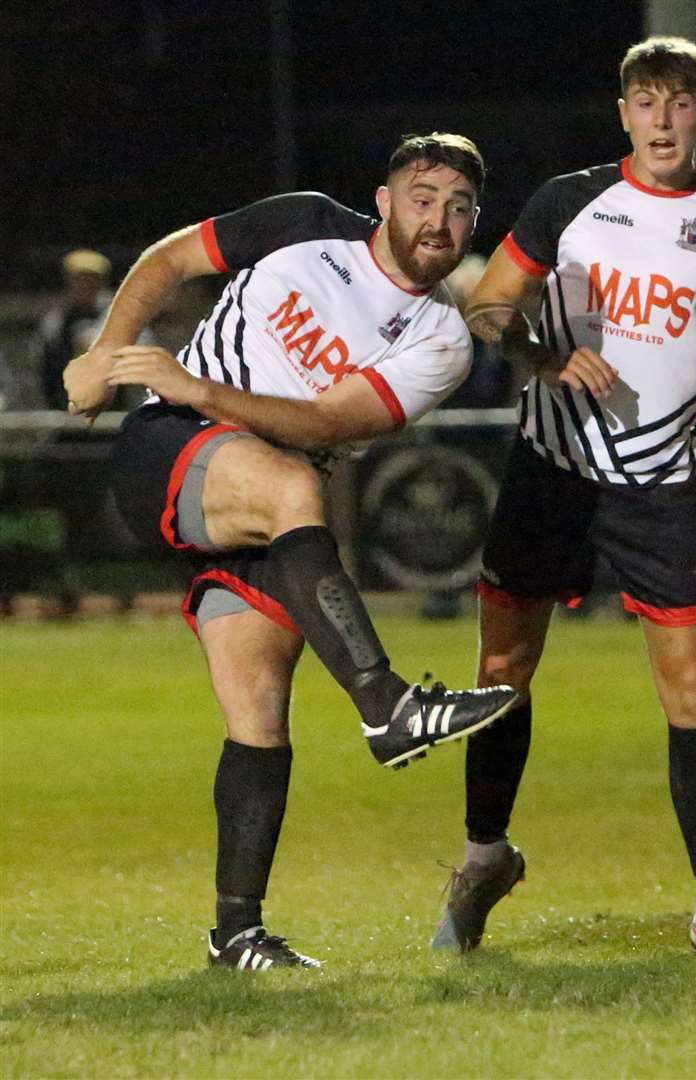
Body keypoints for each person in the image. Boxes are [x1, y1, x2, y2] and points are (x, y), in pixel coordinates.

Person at [431, 37, 696, 956]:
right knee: (502, 672)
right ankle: (481, 860)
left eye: (680, 104)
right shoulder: (568, 201)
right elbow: (488, 308)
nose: (662, 121)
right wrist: (549, 356)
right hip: (550, 472)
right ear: (622, 112)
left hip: (657, 487)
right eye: (646, 102)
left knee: (691, 687)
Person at [61, 133, 521, 971]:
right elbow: (169, 260)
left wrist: (200, 382)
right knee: (293, 490)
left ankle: (235, 933)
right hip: (172, 445)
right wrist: (104, 351)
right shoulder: (305, 223)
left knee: (260, 714)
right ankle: (386, 703)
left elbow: (325, 425)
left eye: (459, 209)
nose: (439, 220)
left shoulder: (442, 340)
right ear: (384, 201)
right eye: (422, 198)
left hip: (267, 508)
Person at [30, 250, 154, 411]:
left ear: (102, 283)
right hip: (66, 416)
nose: (85, 285)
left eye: (91, 280)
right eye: (79, 280)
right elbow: (41, 366)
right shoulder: (56, 322)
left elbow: (145, 355)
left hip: (113, 415)